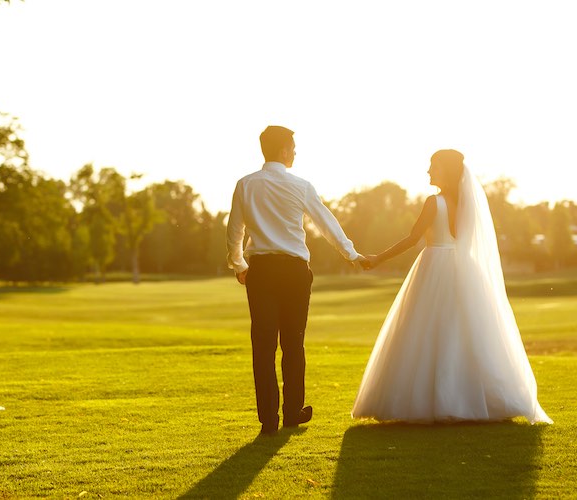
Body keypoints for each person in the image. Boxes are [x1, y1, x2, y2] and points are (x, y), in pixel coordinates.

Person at [352, 149, 551, 424]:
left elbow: (412, 239)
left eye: (433, 166)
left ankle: (438, 401)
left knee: (428, 330)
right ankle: (470, 398)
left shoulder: (434, 203)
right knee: (464, 333)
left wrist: (377, 259)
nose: (428, 171)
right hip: (463, 267)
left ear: (445, 170)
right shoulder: (467, 204)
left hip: (435, 265)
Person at [227, 125, 368, 435]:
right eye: (292, 147)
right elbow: (326, 223)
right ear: (282, 151)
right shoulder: (301, 186)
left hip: (261, 270)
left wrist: (239, 264)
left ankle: (269, 421)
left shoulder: (245, 184)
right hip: (294, 271)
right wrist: (352, 255)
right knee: (293, 343)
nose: (295, 152)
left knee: (263, 347)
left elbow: (235, 230)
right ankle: (292, 412)